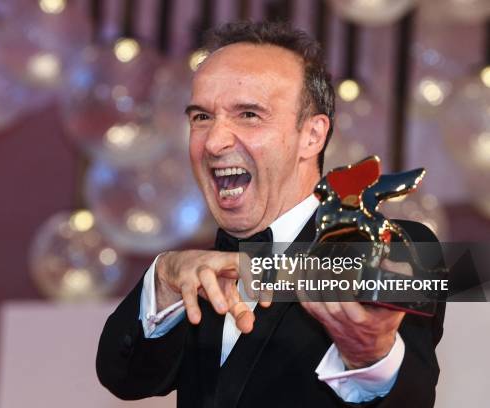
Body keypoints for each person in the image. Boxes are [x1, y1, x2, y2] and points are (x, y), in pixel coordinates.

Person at [96, 21, 444, 407]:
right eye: (201, 117)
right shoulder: (197, 272)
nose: (214, 141)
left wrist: (370, 356)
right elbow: (124, 377)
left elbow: (411, 395)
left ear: (312, 136)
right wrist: (162, 280)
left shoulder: (394, 247)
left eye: (248, 115)